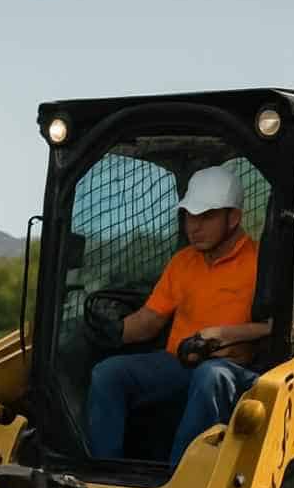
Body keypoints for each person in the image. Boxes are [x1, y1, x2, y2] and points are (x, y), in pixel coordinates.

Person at [85, 166, 270, 465]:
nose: (194, 226)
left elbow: (286, 326)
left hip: (234, 370)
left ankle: (179, 479)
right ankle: (104, 472)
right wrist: (113, 331)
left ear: (233, 217)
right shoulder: (182, 262)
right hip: (178, 362)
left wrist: (224, 335)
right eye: (189, 216)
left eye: (206, 216)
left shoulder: (262, 262)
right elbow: (149, 320)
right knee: (107, 374)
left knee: (211, 375)